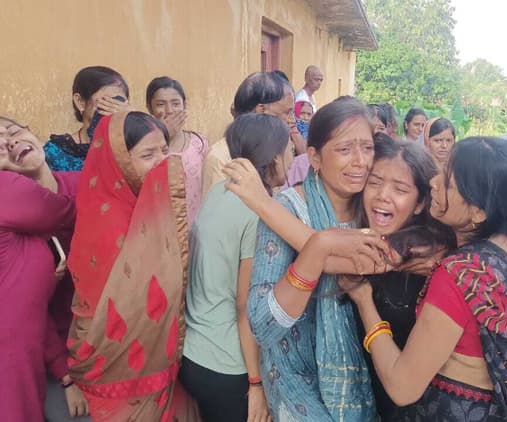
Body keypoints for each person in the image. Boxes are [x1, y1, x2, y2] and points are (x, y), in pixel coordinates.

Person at [225, 135, 455, 420]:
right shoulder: (358, 227)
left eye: (400, 189)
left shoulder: (418, 245)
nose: (383, 195)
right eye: (374, 182)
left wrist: (263, 203)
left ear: (420, 203)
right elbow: (326, 253)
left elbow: (328, 255)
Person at [341, 137, 507, 421]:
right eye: (443, 168)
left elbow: (402, 387)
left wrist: (364, 302)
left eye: (448, 183)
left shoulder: (456, 276)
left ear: (478, 212)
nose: (433, 182)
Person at [231, 97, 388, 421]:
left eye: (367, 148)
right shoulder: (288, 210)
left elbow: (375, 260)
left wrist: (321, 246)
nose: (360, 161)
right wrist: (318, 247)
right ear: (314, 157)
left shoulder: (375, 206)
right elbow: (264, 325)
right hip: (295, 380)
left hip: (368, 377)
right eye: (345, 149)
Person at [66, 111, 200, 421]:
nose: (162, 161)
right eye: (147, 155)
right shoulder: (108, 220)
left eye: (164, 150)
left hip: (155, 360)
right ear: (119, 162)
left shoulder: (148, 204)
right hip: (114, 360)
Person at [180, 113, 293, 422]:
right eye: (289, 149)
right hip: (228, 365)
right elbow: (246, 306)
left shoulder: (221, 191)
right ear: (274, 157)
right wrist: (256, 383)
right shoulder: (258, 213)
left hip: (194, 351)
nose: (293, 155)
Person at [0, 116, 89, 421]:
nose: (10, 142)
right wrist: (65, 374)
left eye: (13, 132)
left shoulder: (80, 182)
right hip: (50, 356)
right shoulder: (17, 211)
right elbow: (32, 306)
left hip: (106, 342)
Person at [201, 72, 294, 197]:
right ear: (261, 111)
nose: (291, 121)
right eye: (287, 113)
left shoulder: (272, 151)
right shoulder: (221, 158)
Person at [146, 76, 209, 226]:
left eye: (175, 104)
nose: (169, 111)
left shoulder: (199, 143)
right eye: (160, 104)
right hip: (161, 227)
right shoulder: (145, 147)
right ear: (149, 108)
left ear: (184, 105)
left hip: (197, 226)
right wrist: (164, 135)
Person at [45, 66, 130, 171]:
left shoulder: (134, 146)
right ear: (80, 102)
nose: (113, 109)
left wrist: (135, 121)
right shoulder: (55, 152)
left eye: (119, 102)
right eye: (105, 101)